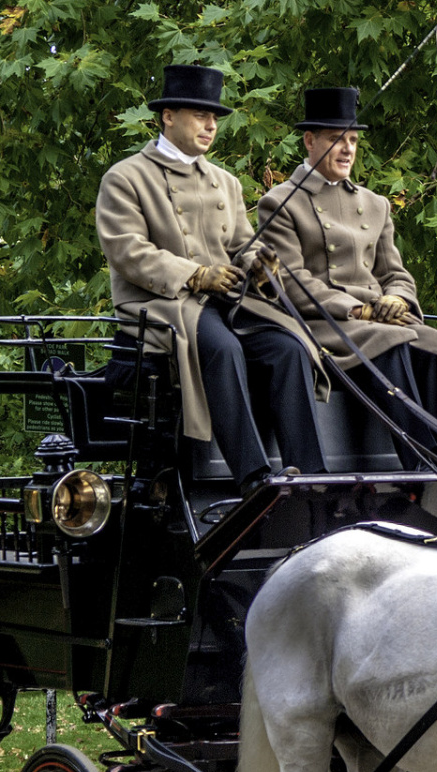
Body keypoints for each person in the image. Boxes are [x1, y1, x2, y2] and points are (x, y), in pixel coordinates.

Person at [96, 64, 327, 493]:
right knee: (222, 348)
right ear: (168, 116)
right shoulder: (126, 177)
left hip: (226, 300)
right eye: (201, 114)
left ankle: (311, 475)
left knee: (289, 347)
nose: (211, 125)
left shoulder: (225, 181)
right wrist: (197, 274)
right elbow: (128, 251)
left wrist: (259, 261)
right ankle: (255, 478)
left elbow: (241, 242)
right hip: (162, 302)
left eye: (215, 117)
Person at [256, 87, 437, 469]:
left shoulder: (375, 204)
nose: (347, 149)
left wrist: (399, 299)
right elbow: (291, 281)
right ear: (309, 141)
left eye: (352, 140)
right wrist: (357, 310)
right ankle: (421, 464)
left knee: (435, 346)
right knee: (389, 340)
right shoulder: (283, 202)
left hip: (380, 317)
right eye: (337, 139)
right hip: (325, 321)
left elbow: (394, 272)